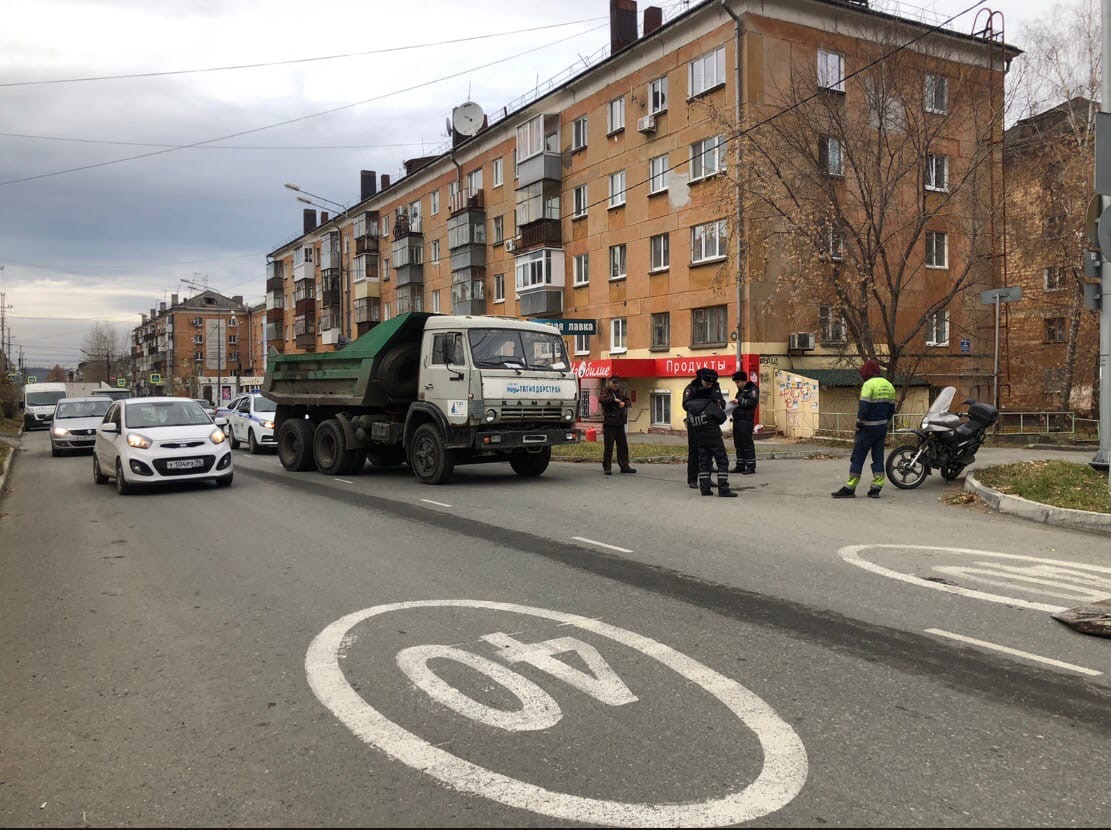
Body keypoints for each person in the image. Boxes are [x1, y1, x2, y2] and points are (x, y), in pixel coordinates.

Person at [832, 358, 897, 499]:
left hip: (867, 428)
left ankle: (850, 488)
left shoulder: (868, 385)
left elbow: (864, 408)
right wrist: (884, 422)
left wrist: (858, 424)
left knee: (858, 457)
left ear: (866, 373)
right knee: (878, 457)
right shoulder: (889, 385)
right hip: (882, 427)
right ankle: (876, 488)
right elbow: (892, 409)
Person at [683, 368, 738, 497]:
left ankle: (705, 484)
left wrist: (717, 405)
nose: (710, 386)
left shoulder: (714, 386)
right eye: (708, 384)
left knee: (705, 456)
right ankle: (693, 479)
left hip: (701, 423)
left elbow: (721, 402)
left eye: (712, 384)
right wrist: (708, 407)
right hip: (700, 425)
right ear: (702, 380)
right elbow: (685, 404)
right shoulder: (691, 388)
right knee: (699, 452)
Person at [598, 375, 637, 476]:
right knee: (609, 447)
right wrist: (614, 400)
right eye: (614, 383)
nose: (616, 385)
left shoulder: (620, 392)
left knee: (623, 446)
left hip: (620, 424)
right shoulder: (605, 391)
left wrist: (624, 403)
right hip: (609, 424)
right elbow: (602, 400)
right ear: (610, 383)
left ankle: (624, 466)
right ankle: (607, 467)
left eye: (617, 383)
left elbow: (628, 401)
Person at [730, 370, 758, 475]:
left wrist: (739, 401)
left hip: (746, 420)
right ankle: (740, 464)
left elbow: (752, 402)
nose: (737, 384)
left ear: (743, 381)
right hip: (738, 419)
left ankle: (751, 466)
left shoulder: (752, 389)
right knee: (738, 444)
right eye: (735, 382)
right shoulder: (740, 391)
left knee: (747, 443)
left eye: (738, 382)